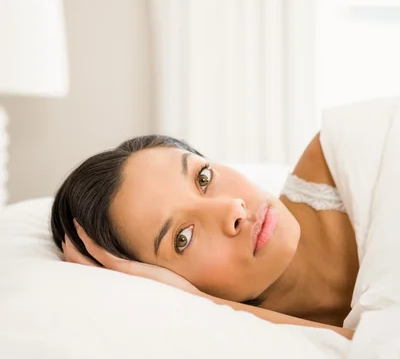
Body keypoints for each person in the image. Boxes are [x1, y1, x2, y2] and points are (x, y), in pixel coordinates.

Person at [51, 133, 358, 340]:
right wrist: (199, 302)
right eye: (182, 238)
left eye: (203, 177)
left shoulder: (344, 153)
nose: (232, 209)